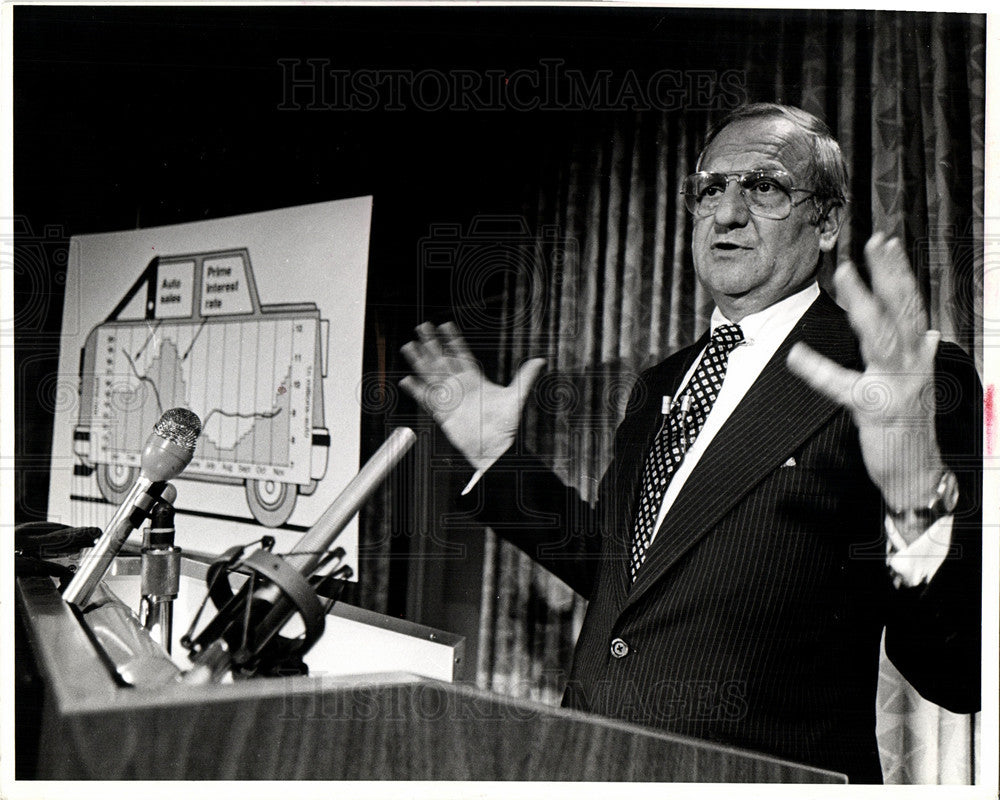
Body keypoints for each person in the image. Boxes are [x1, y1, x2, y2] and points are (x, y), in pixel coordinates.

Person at [400, 103, 981, 783]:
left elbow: (959, 670)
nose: (726, 213)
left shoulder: (900, 377)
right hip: (589, 765)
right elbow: (627, 576)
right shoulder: (663, 382)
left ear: (825, 221)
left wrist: (917, 496)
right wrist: (500, 462)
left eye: (764, 187)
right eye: (709, 188)